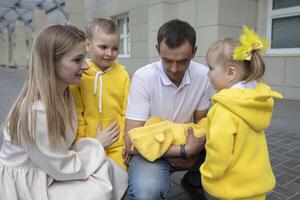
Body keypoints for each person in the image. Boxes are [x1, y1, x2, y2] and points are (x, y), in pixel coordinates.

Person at [0, 24, 126, 200]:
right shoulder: (36, 112)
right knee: (99, 187)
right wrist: (97, 144)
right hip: (27, 186)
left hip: (48, 172)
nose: (86, 66)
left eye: (84, 58)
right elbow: (62, 166)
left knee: (108, 168)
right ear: (51, 63)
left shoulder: (65, 94)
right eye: (77, 60)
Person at [123, 19, 211, 200]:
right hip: (150, 151)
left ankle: (194, 182)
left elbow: (203, 121)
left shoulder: (203, 75)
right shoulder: (144, 77)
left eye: (182, 61)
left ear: (194, 52)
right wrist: (183, 150)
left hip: (188, 143)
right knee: (147, 192)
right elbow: (131, 142)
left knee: (233, 141)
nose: (174, 68)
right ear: (157, 50)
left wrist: (196, 146)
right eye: (167, 60)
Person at [200, 26, 282, 200]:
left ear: (230, 73)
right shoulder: (255, 101)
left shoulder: (224, 108)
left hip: (231, 188)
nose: (208, 74)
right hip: (256, 186)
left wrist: (208, 172)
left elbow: (219, 151)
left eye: (211, 68)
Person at [70, 18, 130, 173]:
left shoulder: (123, 75)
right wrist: (84, 143)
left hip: (118, 145)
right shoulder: (79, 74)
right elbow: (77, 114)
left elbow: (127, 112)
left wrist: (126, 142)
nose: (110, 53)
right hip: (90, 143)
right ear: (88, 45)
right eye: (103, 47)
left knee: (120, 180)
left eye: (115, 48)